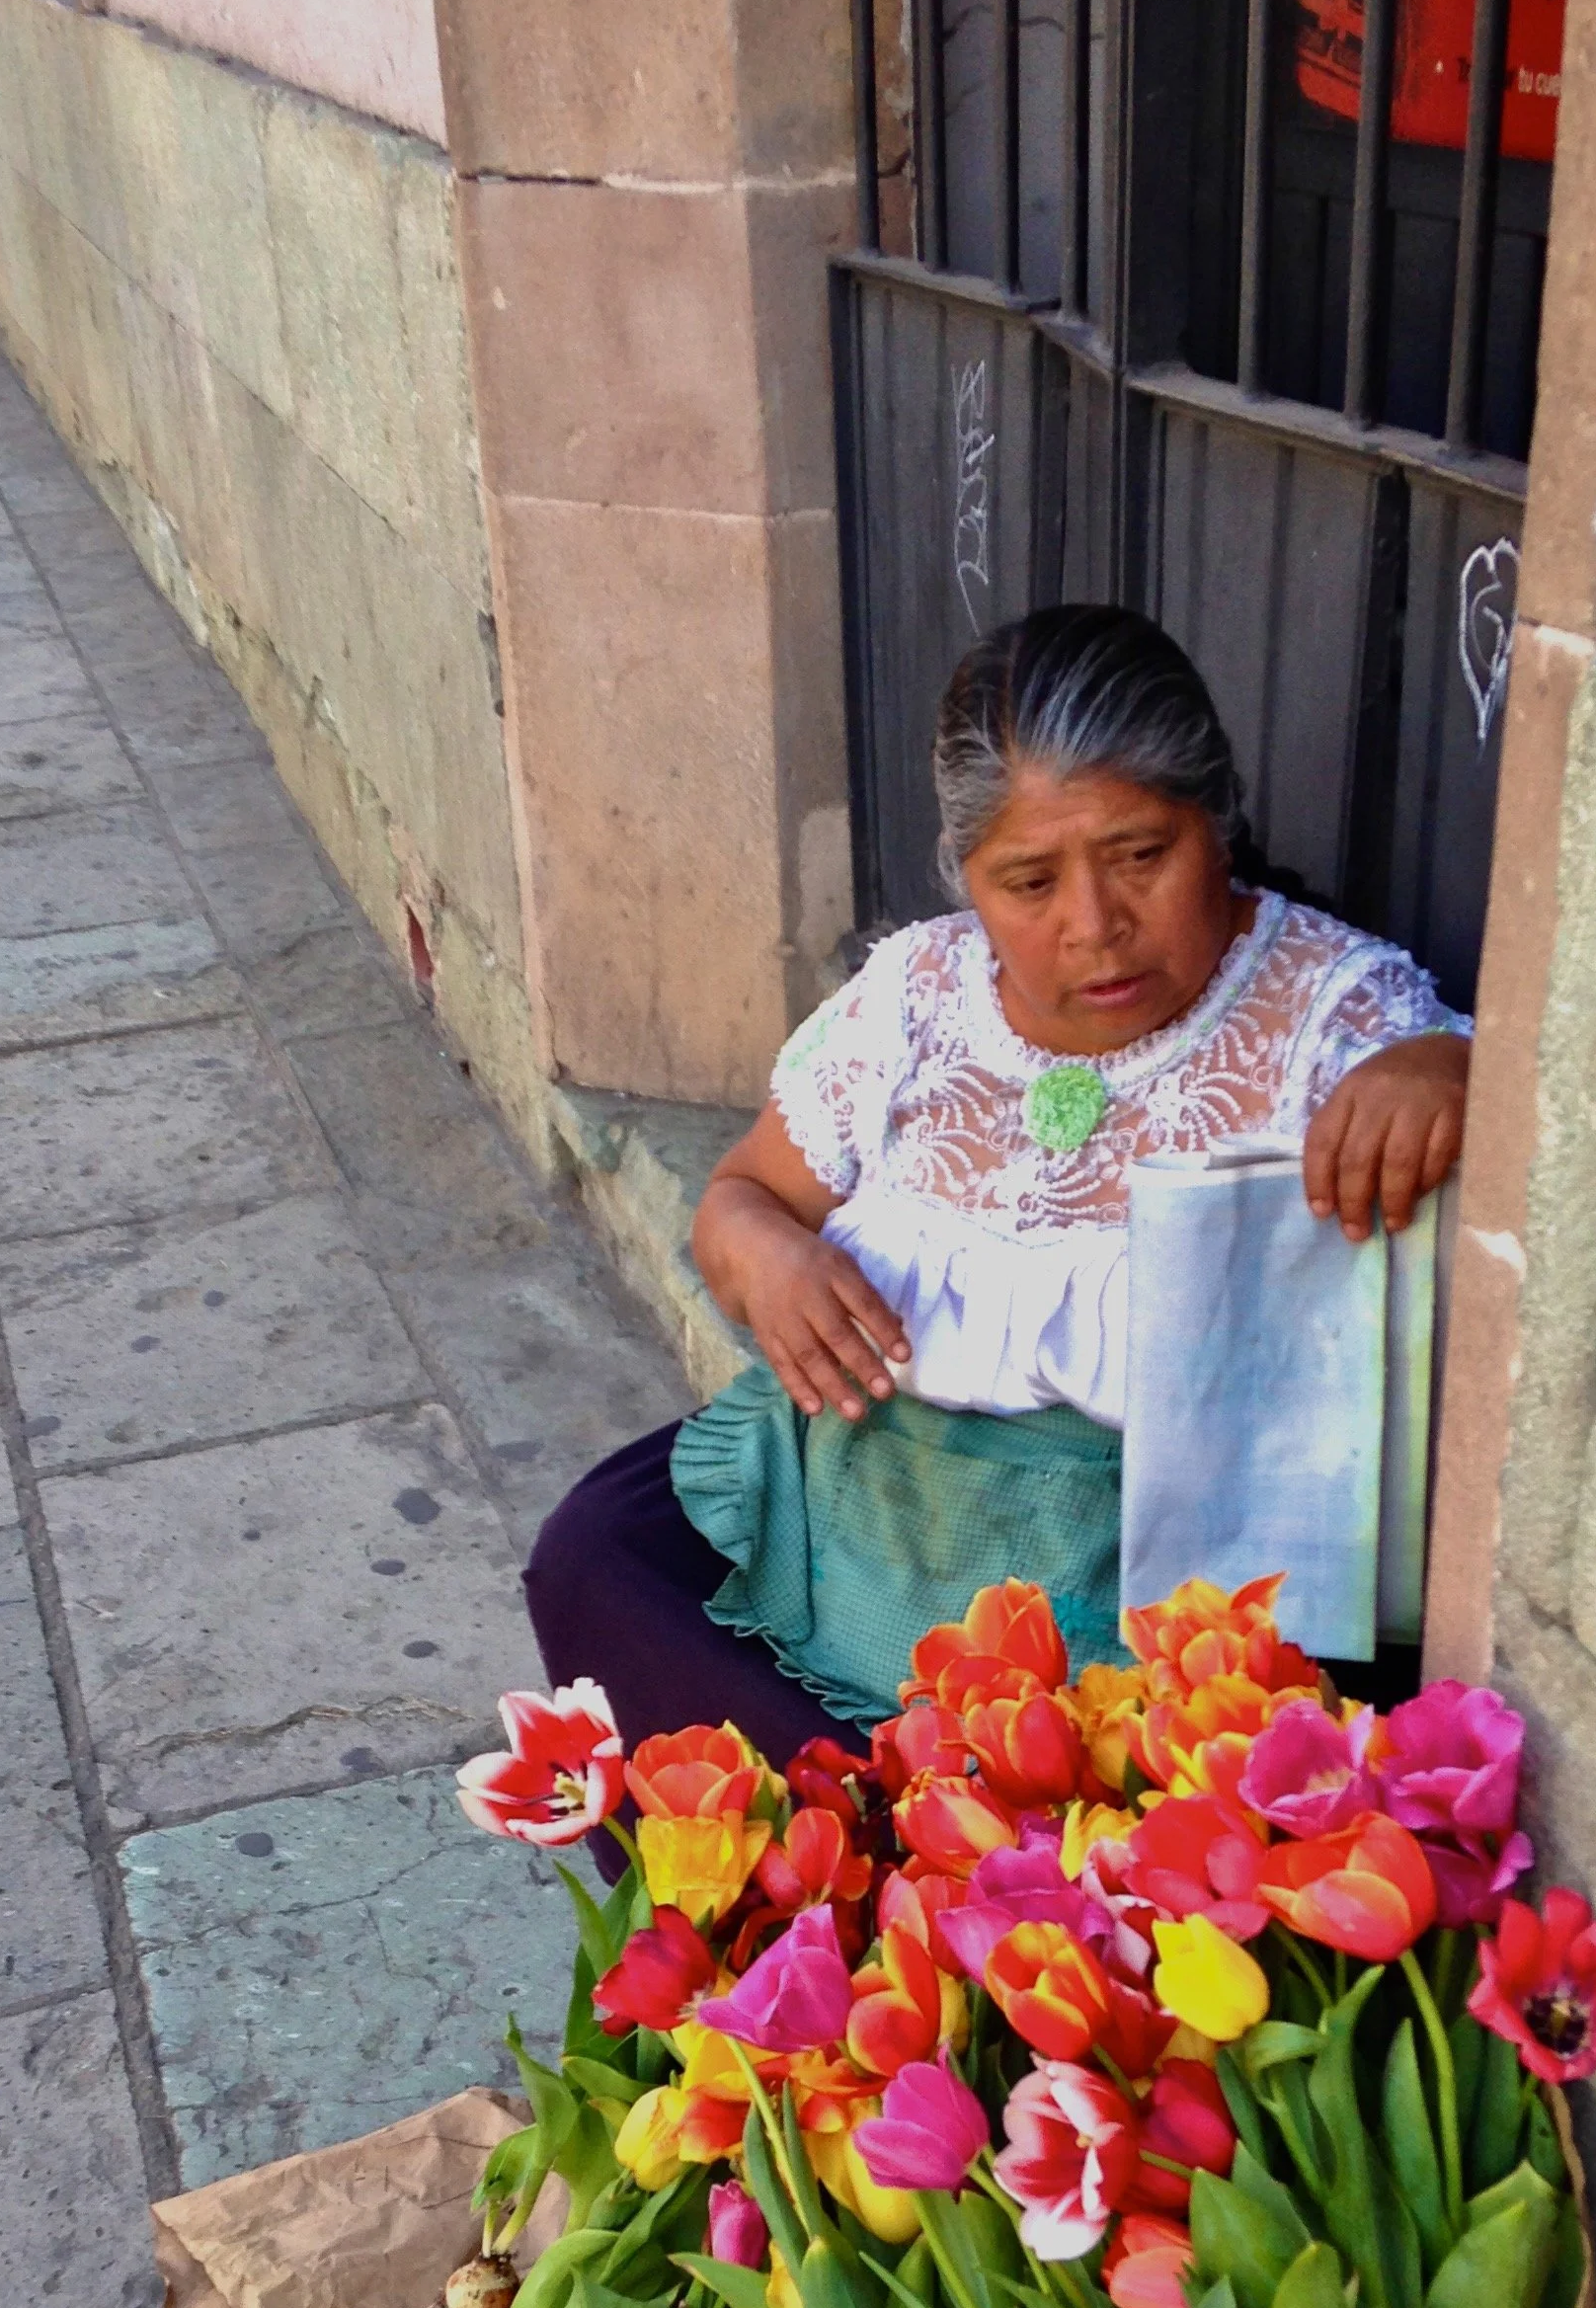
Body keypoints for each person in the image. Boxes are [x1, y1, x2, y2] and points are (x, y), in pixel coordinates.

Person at [525, 602, 1471, 1764]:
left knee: (1029, 1797)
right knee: (592, 1564)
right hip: (865, 1501)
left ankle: (876, 1864)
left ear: (1215, 822)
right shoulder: (915, 994)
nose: (1095, 927)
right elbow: (740, 1196)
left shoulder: (1334, 1018)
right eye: (1029, 881)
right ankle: (839, 1871)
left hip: (1129, 1588)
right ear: (967, 877)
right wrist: (768, 1258)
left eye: (1142, 854)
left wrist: (1457, 1070)